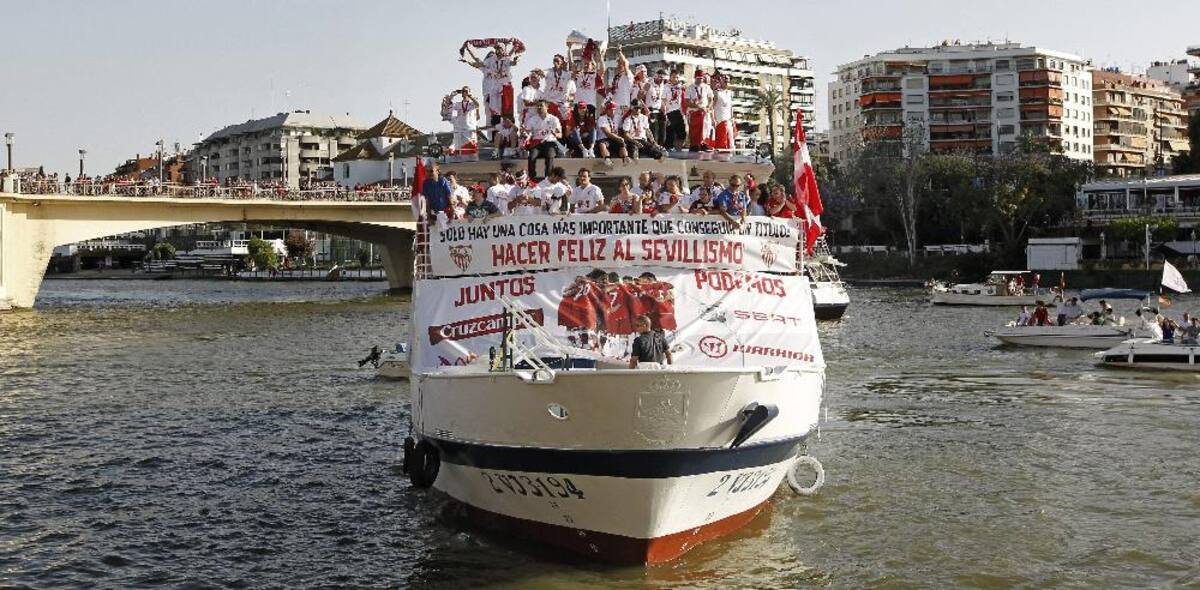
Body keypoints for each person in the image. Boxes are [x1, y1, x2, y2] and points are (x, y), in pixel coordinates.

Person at [525, 100, 564, 179]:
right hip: (537, 143)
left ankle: (548, 178)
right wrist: (524, 133)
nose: (539, 107)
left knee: (550, 156)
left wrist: (555, 134)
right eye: (538, 106)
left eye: (541, 106)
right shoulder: (532, 119)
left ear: (547, 107)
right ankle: (532, 178)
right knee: (531, 156)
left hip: (549, 142)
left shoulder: (554, 119)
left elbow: (560, 135)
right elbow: (527, 133)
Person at [684, 69, 714, 151]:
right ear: (695, 77)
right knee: (694, 129)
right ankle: (694, 145)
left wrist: (708, 107)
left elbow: (711, 99)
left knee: (706, 128)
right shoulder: (690, 88)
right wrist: (697, 107)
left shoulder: (707, 87)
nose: (700, 79)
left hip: (704, 112)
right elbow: (686, 102)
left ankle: (703, 143)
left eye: (701, 78)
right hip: (694, 112)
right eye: (698, 78)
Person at [595, 102, 629, 166]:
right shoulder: (602, 118)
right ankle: (607, 159)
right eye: (610, 109)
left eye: (614, 109)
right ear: (606, 110)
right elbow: (607, 133)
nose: (612, 111)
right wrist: (618, 137)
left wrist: (622, 136)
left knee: (622, 143)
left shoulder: (618, 117)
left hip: (614, 138)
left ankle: (625, 158)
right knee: (602, 145)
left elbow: (621, 128)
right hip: (604, 138)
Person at [446, 87, 480, 152]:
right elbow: (449, 107)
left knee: (470, 150)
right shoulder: (458, 104)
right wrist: (451, 96)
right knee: (457, 150)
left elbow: (477, 104)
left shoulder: (471, 103)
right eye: (463, 91)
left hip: (469, 130)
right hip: (459, 130)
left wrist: (470, 96)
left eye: (466, 91)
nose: (464, 92)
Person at [543, 54, 575, 120]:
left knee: (564, 124)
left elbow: (573, 94)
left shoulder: (567, 75)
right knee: (550, 124)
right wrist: (538, 72)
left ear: (561, 63)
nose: (555, 62)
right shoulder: (549, 72)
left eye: (557, 61)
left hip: (562, 105)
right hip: (550, 102)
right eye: (554, 60)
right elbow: (542, 73)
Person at [663, 69, 687, 150]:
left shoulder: (680, 87)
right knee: (670, 132)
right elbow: (663, 100)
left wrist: (683, 112)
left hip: (678, 111)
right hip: (669, 111)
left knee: (682, 132)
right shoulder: (666, 87)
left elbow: (682, 99)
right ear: (670, 77)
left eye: (677, 77)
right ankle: (669, 147)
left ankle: (678, 148)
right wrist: (665, 113)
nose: (675, 79)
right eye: (674, 77)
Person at [711, 72, 734, 150]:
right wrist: (713, 119)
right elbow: (712, 107)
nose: (726, 82)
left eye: (728, 81)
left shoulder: (729, 93)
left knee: (730, 144)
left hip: (728, 121)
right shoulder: (717, 92)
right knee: (722, 144)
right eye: (725, 80)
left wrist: (732, 118)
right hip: (720, 121)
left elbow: (730, 106)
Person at [645, 69, 668, 145]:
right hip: (651, 110)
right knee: (654, 132)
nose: (662, 80)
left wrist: (663, 106)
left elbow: (661, 97)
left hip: (660, 111)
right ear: (656, 76)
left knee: (663, 133)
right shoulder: (648, 84)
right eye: (660, 77)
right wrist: (646, 109)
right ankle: (654, 149)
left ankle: (661, 148)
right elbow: (639, 97)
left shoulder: (662, 85)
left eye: (663, 78)